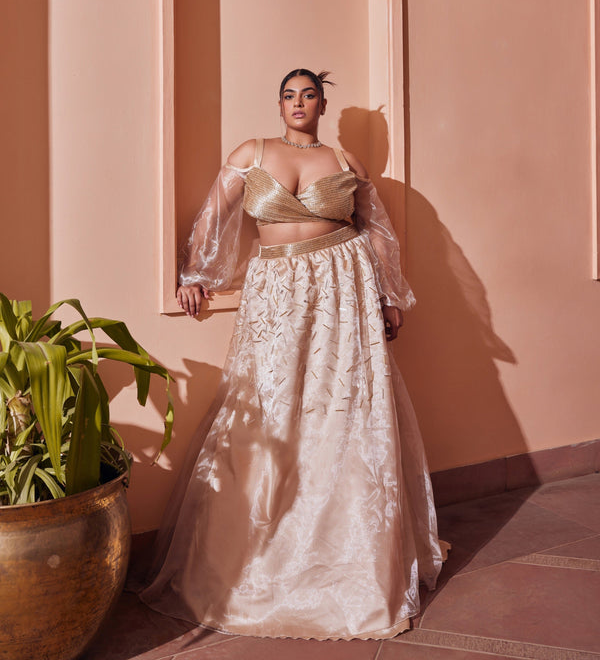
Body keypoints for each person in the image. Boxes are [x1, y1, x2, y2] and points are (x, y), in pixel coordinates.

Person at [140, 68, 446, 641]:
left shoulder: (344, 159)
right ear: (279, 105)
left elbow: (376, 230)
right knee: (271, 406)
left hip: (343, 286)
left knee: (341, 405)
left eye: (308, 95)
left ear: (321, 104)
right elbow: (214, 216)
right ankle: (264, 552)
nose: (298, 102)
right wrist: (195, 273)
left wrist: (389, 295)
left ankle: (352, 560)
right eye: (289, 95)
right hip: (276, 290)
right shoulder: (252, 152)